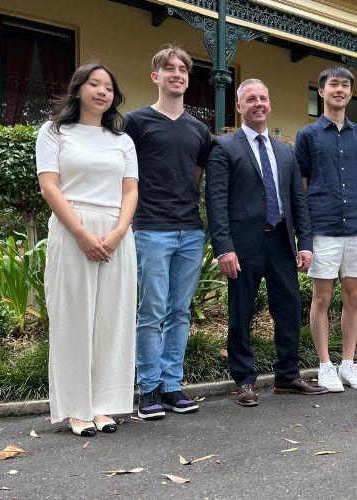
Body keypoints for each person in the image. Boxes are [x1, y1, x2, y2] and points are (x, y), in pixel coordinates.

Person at [205, 78, 327, 406]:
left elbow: (297, 201)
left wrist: (305, 243)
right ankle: (243, 380)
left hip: (282, 243)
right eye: (251, 99)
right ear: (240, 106)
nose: (259, 103)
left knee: (288, 310)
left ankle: (288, 376)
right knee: (241, 313)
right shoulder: (224, 146)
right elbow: (216, 201)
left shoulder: (284, 151)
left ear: (269, 104)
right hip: (243, 246)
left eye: (263, 98)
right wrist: (224, 247)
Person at [36, 62, 138, 436]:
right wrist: (80, 234)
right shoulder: (53, 132)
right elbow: (50, 187)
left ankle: (103, 405)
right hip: (71, 228)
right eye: (93, 84)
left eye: (108, 87)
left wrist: (119, 231)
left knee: (113, 320)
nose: (101, 91)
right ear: (78, 89)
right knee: (74, 320)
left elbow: (131, 190)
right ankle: (77, 409)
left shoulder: (122, 140)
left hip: (116, 233)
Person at [123, 45, 212, 420]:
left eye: (183, 70)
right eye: (169, 68)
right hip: (151, 229)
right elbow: (123, 177)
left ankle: (172, 386)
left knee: (179, 311)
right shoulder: (136, 122)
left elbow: (204, 176)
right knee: (151, 310)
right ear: (155, 76)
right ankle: (148, 390)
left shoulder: (199, 129)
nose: (177, 74)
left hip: (191, 231)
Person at [296, 66, 357, 393]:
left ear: (350, 92)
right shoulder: (308, 135)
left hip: (356, 224)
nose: (339, 90)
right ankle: (325, 365)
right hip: (323, 225)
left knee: (354, 295)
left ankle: (348, 363)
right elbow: (301, 185)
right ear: (322, 91)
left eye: (345, 85)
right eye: (333, 84)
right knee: (322, 296)